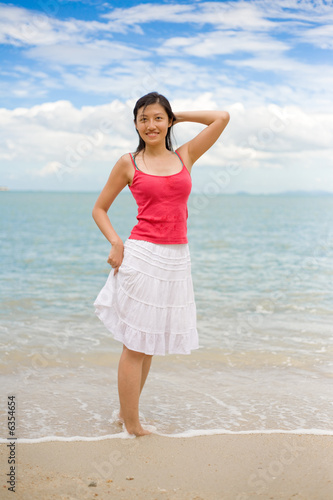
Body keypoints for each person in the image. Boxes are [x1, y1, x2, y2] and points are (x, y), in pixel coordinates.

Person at [92, 92, 230, 436]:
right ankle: (134, 426)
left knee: (149, 343)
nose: (150, 125)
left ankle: (128, 417)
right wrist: (115, 241)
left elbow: (221, 118)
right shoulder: (129, 162)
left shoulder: (185, 155)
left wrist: (176, 114)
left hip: (175, 258)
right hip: (141, 256)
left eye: (157, 118)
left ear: (167, 121)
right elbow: (99, 209)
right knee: (136, 345)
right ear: (135, 125)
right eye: (143, 119)